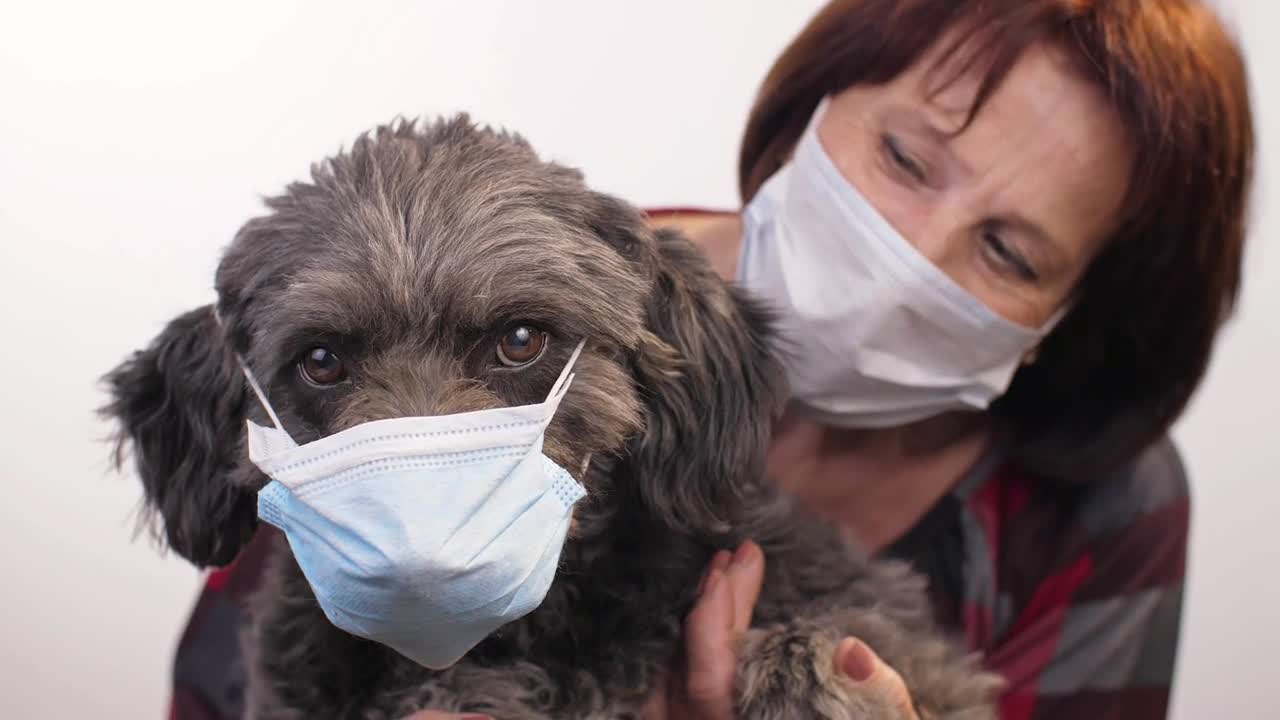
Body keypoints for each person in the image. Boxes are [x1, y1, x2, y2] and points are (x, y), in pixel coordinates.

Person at [167, 1, 1253, 718]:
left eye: (1011, 249)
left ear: (1077, 309)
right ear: (810, 107)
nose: (912, 251)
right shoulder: (438, 274)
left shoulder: (1105, 505)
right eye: (904, 156)